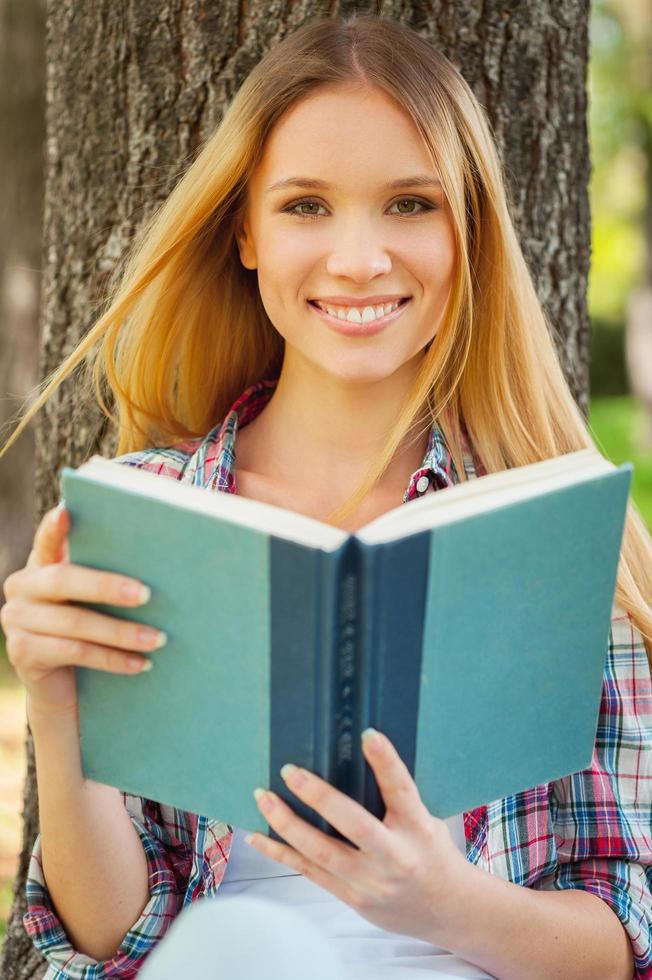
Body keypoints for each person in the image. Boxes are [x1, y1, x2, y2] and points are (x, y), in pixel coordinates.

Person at [1, 13, 650, 980]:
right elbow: (110, 940)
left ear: (466, 232)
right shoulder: (151, 515)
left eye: (409, 205)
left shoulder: (556, 530)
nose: (357, 259)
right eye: (306, 206)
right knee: (239, 944)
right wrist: (55, 704)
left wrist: (441, 903)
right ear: (247, 233)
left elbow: (628, 930)